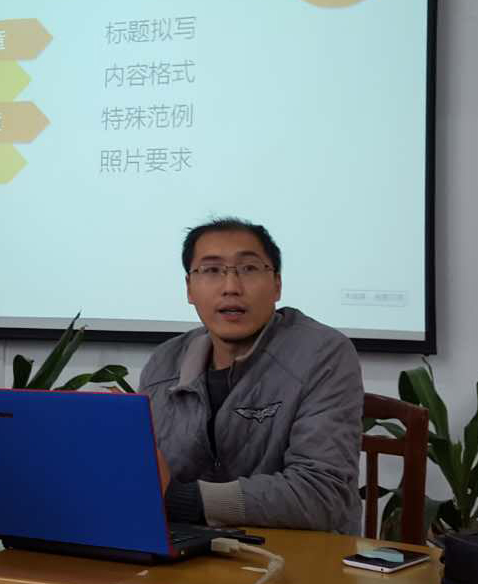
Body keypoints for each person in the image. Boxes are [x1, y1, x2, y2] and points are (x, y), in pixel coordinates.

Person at [139, 217, 364, 534]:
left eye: (248, 268)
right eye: (212, 270)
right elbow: (151, 477)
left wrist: (186, 500)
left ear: (277, 284)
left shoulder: (323, 354)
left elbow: (322, 494)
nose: (231, 287)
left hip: (298, 552)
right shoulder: (164, 363)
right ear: (189, 288)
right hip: (188, 551)